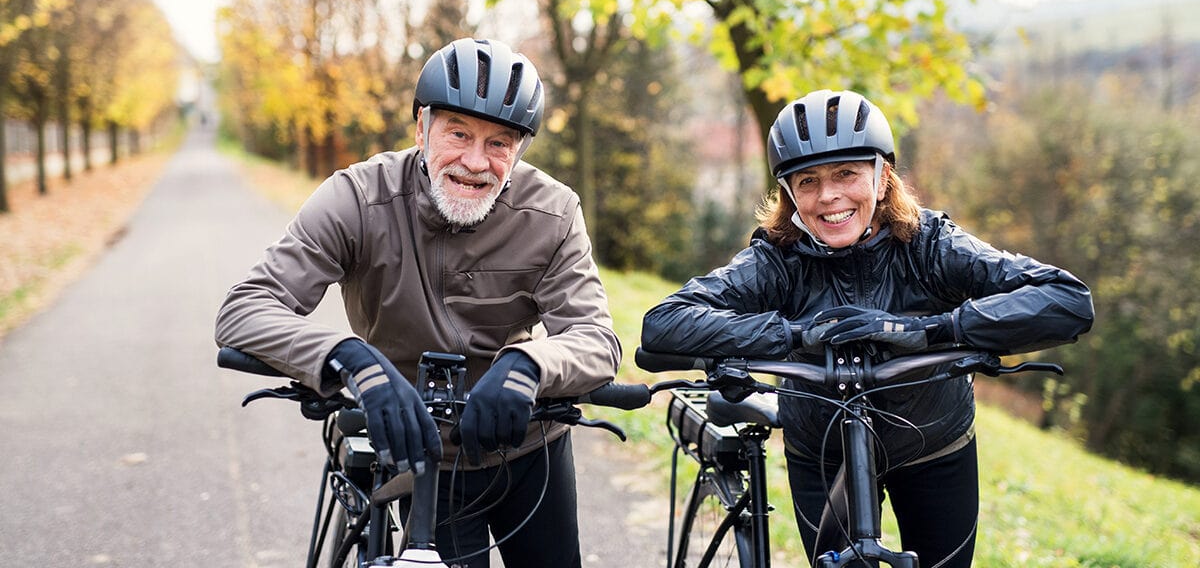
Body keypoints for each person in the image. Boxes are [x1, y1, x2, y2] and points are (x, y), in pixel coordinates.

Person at [640, 89, 1093, 567]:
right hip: (823, 450)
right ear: (790, 194)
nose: (828, 195)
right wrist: (794, 335)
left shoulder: (930, 246)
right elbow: (664, 323)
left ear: (882, 179)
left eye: (846, 174)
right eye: (807, 181)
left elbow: (1067, 300)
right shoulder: (778, 259)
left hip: (932, 444)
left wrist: (934, 330)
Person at [215, 37, 621, 567]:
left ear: (519, 150)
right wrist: (350, 358)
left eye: (500, 143)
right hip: (417, 445)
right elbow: (245, 308)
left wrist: (529, 365)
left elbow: (597, 340)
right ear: (421, 127)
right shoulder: (358, 198)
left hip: (527, 444)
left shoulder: (555, 211)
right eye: (458, 133)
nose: (476, 163)